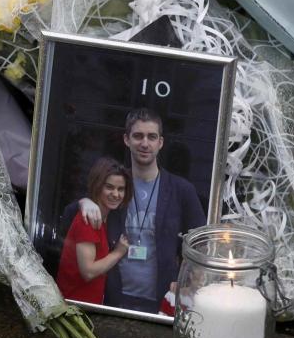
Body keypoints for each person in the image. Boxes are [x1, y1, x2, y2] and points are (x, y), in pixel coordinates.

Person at [70, 108, 206, 313]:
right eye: (138, 136)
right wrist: (84, 202)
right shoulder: (114, 183)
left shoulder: (181, 190)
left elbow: (202, 243)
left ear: (160, 143)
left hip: (162, 302)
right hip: (112, 298)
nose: (145, 143)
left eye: (152, 137)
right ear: (126, 139)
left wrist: (188, 282)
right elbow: (70, 218)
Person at [55, 157, 132, 305]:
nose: (116, 194)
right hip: (75, 309)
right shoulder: (88, 219)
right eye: (109, 187)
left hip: (89, 307)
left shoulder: (107, 217)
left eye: (121, 189)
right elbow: (88, 272)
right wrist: (118, 252)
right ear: (97, 186)